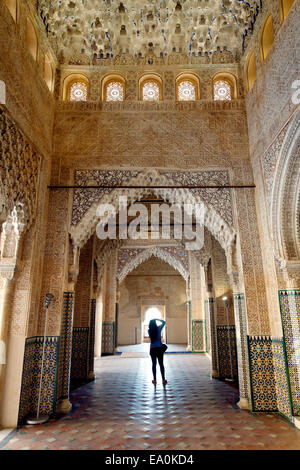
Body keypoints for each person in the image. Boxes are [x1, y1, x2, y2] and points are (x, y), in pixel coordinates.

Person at [148, 318, 167, 386]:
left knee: (154, 364)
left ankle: (155, 379)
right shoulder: (159, 328)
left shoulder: (149, 331)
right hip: (159, 349)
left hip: (152, 349)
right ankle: (163, 379)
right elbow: (164, 322)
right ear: (155, 324)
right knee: (161, 364)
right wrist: (157, 319)